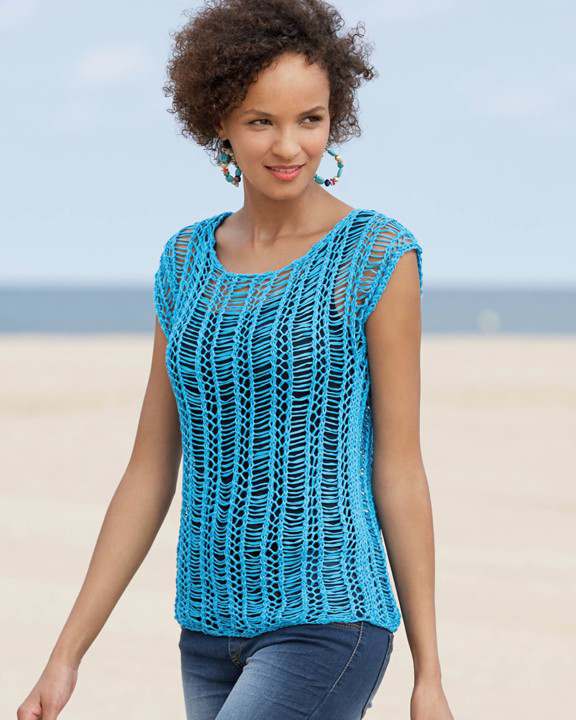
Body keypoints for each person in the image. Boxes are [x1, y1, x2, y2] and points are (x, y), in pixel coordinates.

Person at [17, 1, 455, 719]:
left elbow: (401, 466)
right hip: (206, 634)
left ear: (334, 119)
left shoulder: (375, 256)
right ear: (219, 120)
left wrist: (429, 672)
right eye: (261, 121)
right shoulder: (185, 262)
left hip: (329, 618)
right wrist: (66, 656)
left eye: (310, 120)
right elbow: (149, 468)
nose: (289, 146)